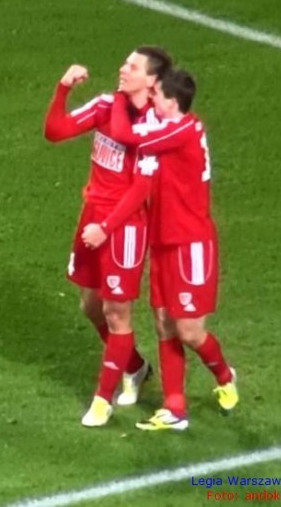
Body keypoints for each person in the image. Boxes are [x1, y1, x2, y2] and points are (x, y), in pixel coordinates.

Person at [98, 69, 238, 430]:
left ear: (172, 102)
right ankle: (174, 408)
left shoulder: (182, 130)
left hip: (191, 243)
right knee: (163, 324)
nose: (151, 99)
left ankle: (225, 376)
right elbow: (142, 182)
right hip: (162, 241)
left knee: (189, 331)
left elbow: (125, 135)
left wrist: (119, 98)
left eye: (156, 94)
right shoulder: (163, 132)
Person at [43, 47, 172, 427]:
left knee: (117, 313)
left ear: (152, 80)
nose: (122, 68)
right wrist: (63, 89)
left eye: (132, 66)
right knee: (90, 306)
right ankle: (135, 367)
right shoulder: (104, 105)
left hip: (125, 226)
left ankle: (102, 401)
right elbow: (56, 132)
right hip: (93, 217)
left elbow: (141, 189)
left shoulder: (156, 125)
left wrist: (107, 228)